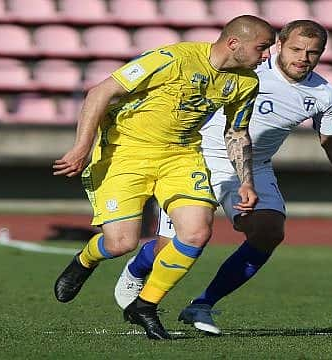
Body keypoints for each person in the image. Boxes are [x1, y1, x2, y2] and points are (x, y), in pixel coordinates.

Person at [113, 20, 332, 335]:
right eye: (297, 49)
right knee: (173, 247)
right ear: (279, 44)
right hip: (197, 158)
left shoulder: (323, 94)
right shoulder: (245, 68)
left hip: (254, 165)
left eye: (313, 53)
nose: (303, 58)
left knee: (268, 231)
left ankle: (202, 304)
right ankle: (137, 270)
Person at [52, 15, 276, 340]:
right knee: (121, 243)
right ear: (233, 43)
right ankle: (85, 260)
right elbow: (100, 93)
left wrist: (245, 180)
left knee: (196, 233)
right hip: (126, 151)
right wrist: (81, 148)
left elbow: (237, 132)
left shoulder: (246, 82)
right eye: (262, 48)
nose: (266, 56)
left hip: (181, 156)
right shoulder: (174, 58)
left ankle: (145, 305)